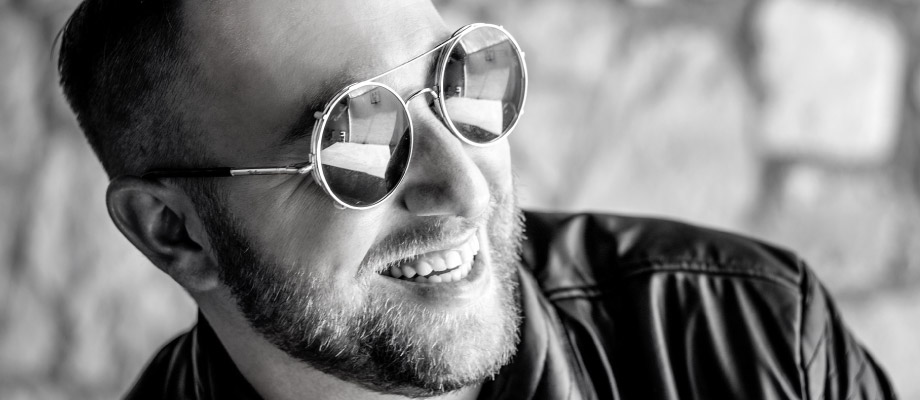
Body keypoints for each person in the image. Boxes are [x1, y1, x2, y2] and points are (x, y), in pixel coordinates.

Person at [56, 0, 896, 399]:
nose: (465, 185)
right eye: (353, 139)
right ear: (174, 233)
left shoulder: (755, 342)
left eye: (459, 80)